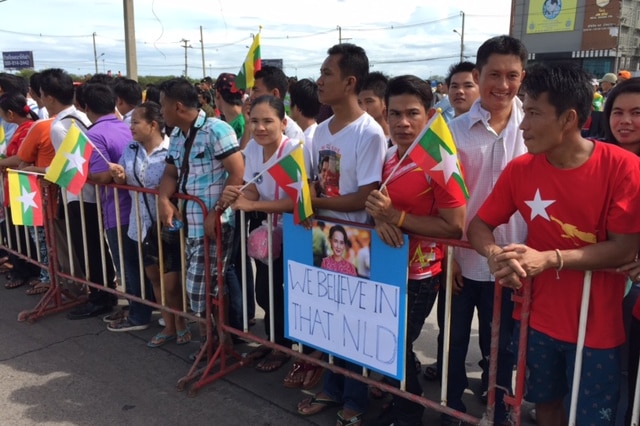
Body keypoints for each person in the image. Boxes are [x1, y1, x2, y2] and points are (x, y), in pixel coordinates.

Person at [467, 62, 640, 426]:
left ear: (568, 119)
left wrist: (550, 259)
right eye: (524, 111)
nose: (523, 124)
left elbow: (624, 248)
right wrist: (495, 253)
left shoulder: (622, 168)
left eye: (533, 113)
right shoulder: (520, 170)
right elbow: (479, 225)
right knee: (544, 406)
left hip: (597, 326)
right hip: (535, 317)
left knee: (594, 417)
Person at [365, 74, 467, 426]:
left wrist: (397, 216)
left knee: (395, 344)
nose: (403, 123)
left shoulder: (440, 158)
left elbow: (454, 225)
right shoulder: (389, 156)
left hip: (421, 274)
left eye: (412, 113)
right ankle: (398, 400)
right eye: (394, 114)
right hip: (387, 266)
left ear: (430, 115)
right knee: (387, 342)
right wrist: (381, 220)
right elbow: (377, 206)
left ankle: (409, 411)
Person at [296, 42, 387, 426]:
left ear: (350, 82)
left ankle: (355, 395)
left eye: (327, 73)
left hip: (357, 239)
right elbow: (318, 182)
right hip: (323, 232)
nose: (319, 81)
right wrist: (311, 202)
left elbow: (366, 196)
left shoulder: (369, 134)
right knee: (330, 315)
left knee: (355, 321)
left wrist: (315, 202)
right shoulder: (317, 131)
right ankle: (332, 386)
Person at [443, 35, 528, 426]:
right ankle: (450, 406)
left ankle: (500, 408)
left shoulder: (535, 129)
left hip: (515, 262)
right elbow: (441, 200)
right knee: (453, 340)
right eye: (494, 74)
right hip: (462, 258)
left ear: (522, 77)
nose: (503, 84)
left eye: (512, 75)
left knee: (505, 348)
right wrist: (447, 258)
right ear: (478, 76)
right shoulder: (454, 131)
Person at [222, 95, 309, 372]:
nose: (260, 128)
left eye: (268, 121)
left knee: (289, 292)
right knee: (265, 291)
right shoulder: (253, 149)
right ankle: (272, 340)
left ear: (283, 123)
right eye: (255, 121)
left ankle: (287, 348)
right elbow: (252, 186)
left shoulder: (295, 150)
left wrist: (252, 204)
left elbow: (299, 200)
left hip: (296, 231)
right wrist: (238, 195)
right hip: (266, 231)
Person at [157, 78, 244, 352]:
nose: (160, 112)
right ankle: (214, 343)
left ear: (178, 106)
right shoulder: (178, 136)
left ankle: (219, 344)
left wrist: (216, 212)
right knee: (206, 290)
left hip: (214, 223)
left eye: (162, 106)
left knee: (202, 291)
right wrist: (163, 199)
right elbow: (171, 173)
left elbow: (237, 172)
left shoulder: (217, 130)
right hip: (190, 224)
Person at [108, 102, 190, 345]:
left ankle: (182, 322)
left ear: (153, 124)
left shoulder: (171, 150)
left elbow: (178, 183)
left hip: (165, 227)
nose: (130, 127)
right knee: (154, 278)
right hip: (139, 225)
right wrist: (120, 177)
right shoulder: (131, 149)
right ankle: (169, 325)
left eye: (135, 122)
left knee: (172, 282)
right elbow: (126, 180)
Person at [601, 77, 640, 425]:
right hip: (598, 281)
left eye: (637, 112)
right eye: (618, 112)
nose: (625, 120)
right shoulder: (597, 159)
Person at [0, 92, 41, 290]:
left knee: (24, 234)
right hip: (13, 188)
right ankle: (21, 269)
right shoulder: (21, 128)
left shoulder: (28, 129)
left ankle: (28, 271)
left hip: (23, 189)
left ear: (10, 114)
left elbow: (20, 159)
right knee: (15, 232)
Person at [239, 65, 305, 149]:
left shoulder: (293, 133)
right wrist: (247, 124)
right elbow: (243, 158)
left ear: (275, 94)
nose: (251, 97)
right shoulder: (252, 128)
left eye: (256, 90)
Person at [357, 71, 389, 138]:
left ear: (385, 102)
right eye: (359, 102)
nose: (363, 108)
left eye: (369, 101)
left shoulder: (398, 138)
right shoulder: (357, 137)